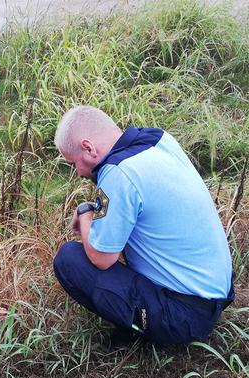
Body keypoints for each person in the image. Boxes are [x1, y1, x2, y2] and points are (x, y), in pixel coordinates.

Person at [52, 105, 234, 347]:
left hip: (184, 317)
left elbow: (101, 258)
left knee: (69, 260)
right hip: (215, 293)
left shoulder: (119, 174)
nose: (78, 172)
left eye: (74, 162)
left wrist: (85, 214)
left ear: (88, 147)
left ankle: (141, 332)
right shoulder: (158, 139)